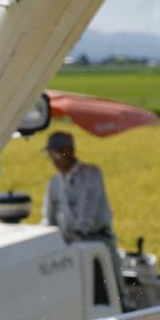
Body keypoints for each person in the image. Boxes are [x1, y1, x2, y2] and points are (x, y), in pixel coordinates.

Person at [41, 131, 130, 308]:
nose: (53, 159)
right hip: (68, 244)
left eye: (55, 153)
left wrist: (78, 233)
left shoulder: (91, 174)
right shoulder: (54, 183)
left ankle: (126, 311)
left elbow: (87, 211)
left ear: (68, 150)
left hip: (97, 240)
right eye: (50, 155)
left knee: (113, 287)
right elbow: (48, 218)